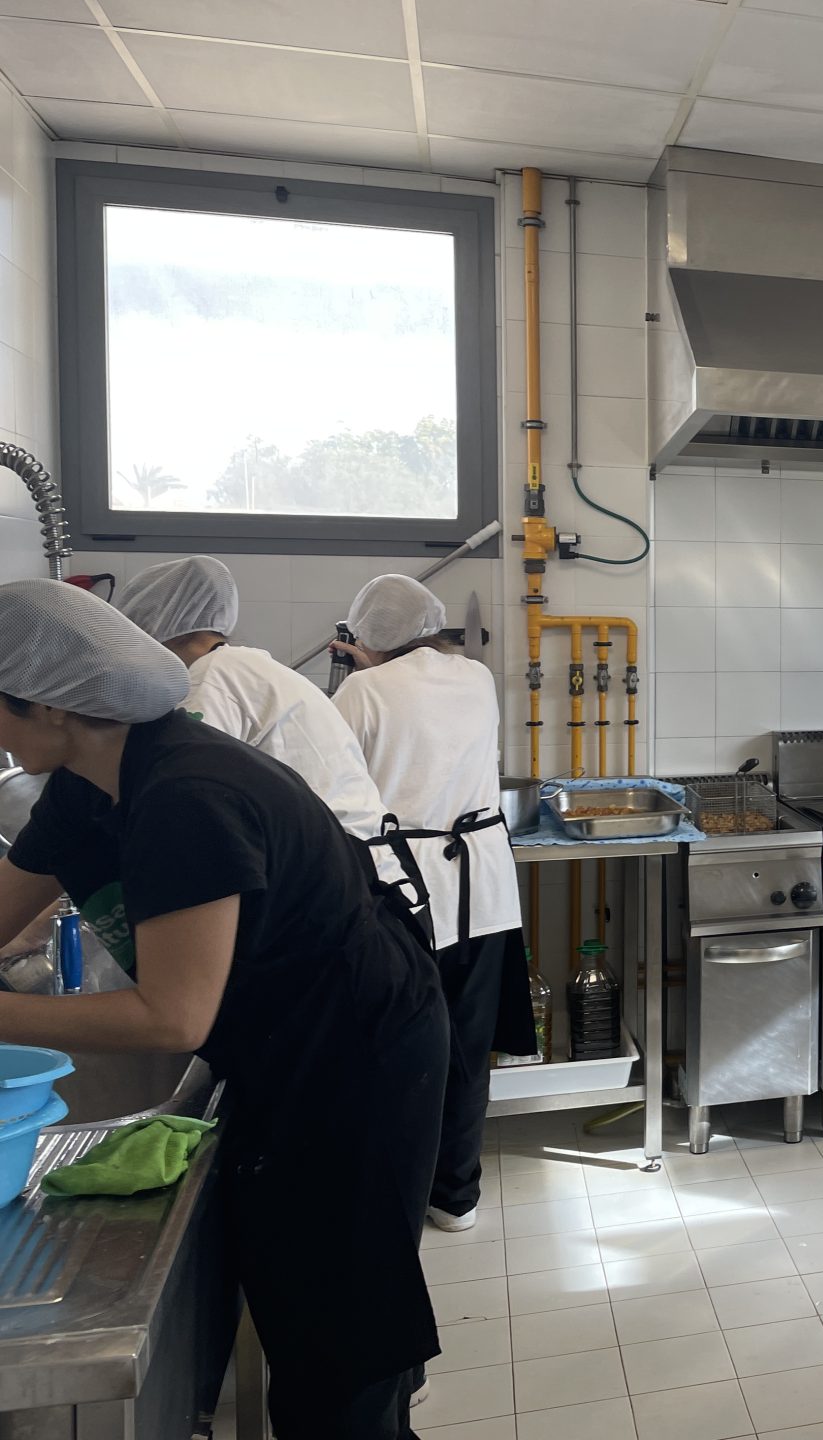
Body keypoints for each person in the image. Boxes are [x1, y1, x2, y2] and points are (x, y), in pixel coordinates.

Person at [0, 577, 445, 1440]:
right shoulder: (91, 782)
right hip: (287, 1038)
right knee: (312, 1315)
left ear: (49, 706)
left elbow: (172, 1020)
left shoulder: (185, 793)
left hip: (356, 1050)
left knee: (339, 1355)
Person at [331, 575, 530, 1233]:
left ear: (366, 635)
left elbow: (336, 786)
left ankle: (398, 1195)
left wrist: (360, 672)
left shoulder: (361, 691)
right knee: (468, 1049)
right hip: (484, 886)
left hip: (403, 892)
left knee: (398, 1045)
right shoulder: (476, 677)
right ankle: (456, 1197)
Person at [115, 556, 391, 848]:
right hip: (351, 844)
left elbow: (185, 779)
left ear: (152, 629)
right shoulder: (246, 665)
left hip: (337, 853)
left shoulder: (211, 677)